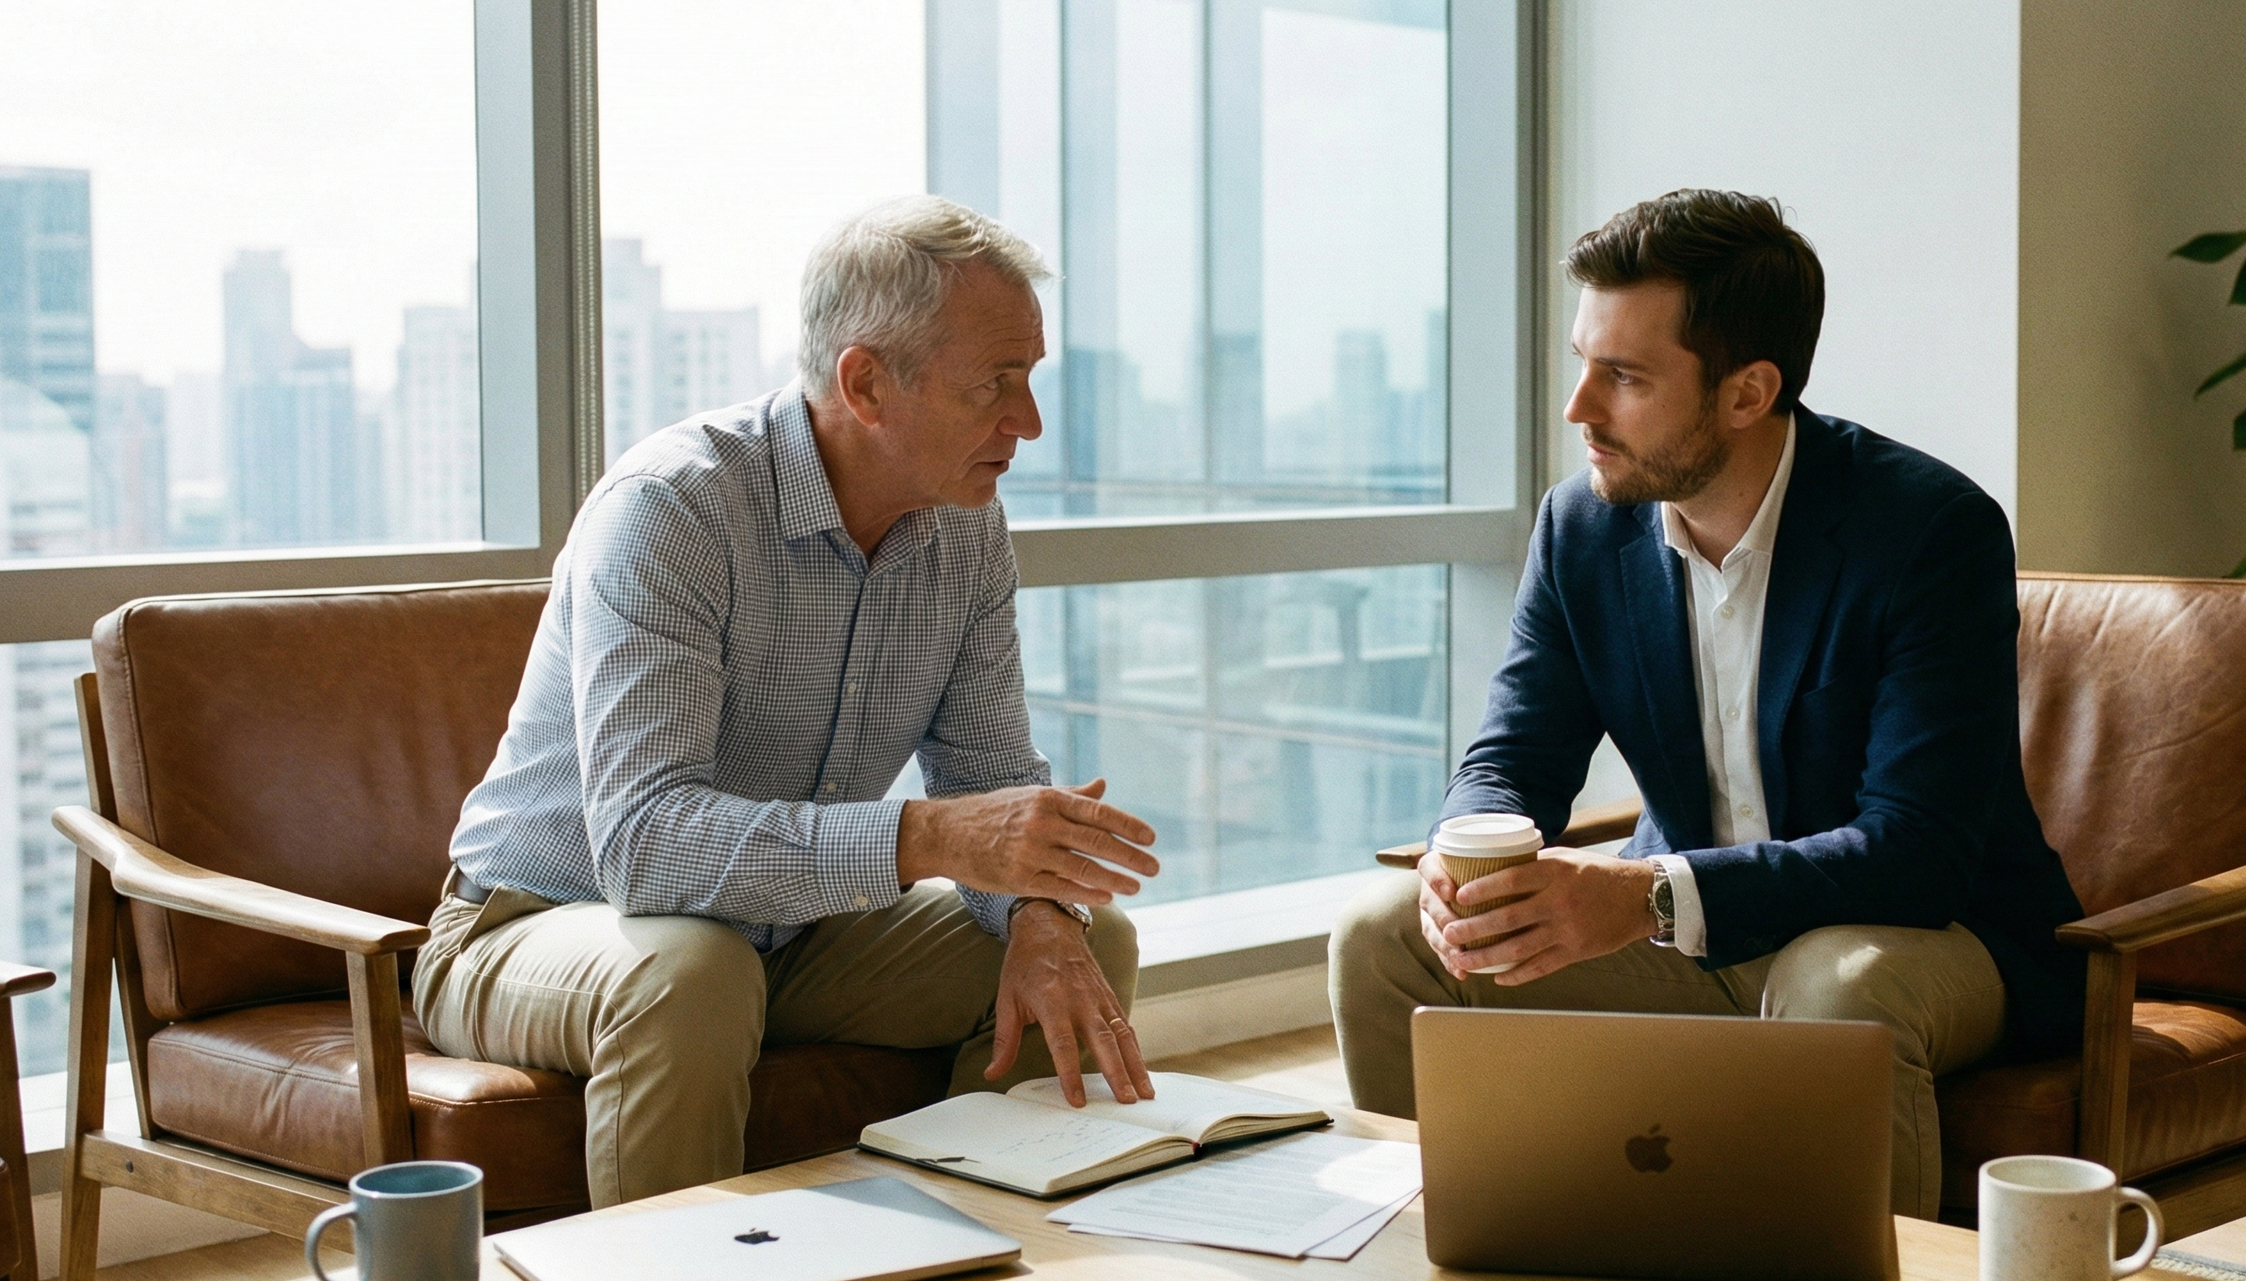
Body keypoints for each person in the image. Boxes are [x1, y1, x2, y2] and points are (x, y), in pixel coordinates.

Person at [1329, 189, 2086, 1219]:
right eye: (1581, 362)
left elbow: (1917, 851)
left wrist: (1641, 895)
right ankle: (1456, 1240)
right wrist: (1462, 854)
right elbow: (1515, 748)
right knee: (1380, 933)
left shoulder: (1925, 530)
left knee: (1834, 983)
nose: (1577, 408)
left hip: (1937, 937)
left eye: (1623, 377)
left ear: (1746, 392)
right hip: (1696, 936)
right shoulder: (1581, 529)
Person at [412, 196, 1159, 1208]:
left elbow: (985, 774)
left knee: (1082, 942)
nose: (1025, 422)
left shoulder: (966, 529)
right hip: (535, 923)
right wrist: (929, 838)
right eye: (997, 382)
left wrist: (1032, 901)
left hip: (784, 935)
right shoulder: (673, 507)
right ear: (866, 383)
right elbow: (643, 846)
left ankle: (961, 1244)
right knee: (691, 971)